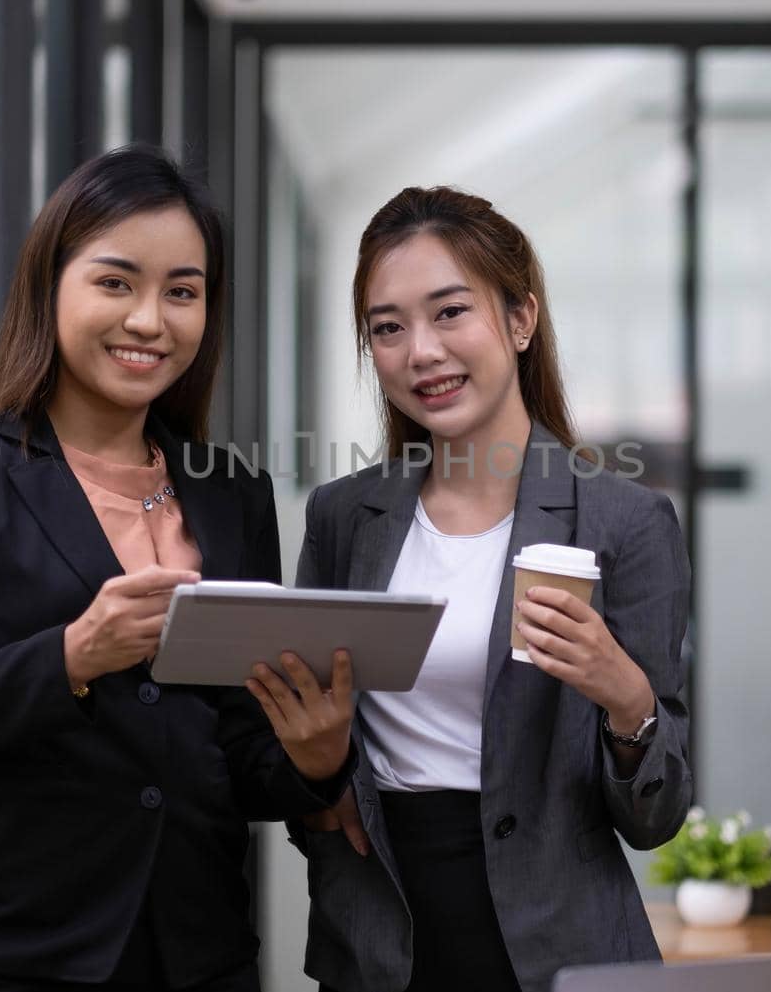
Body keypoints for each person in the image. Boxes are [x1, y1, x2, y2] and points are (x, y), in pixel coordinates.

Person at [0, 145, 355, 992]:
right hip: (6, 960)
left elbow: (233, 758)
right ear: (52, 285)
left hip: (200, 961)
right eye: (116, 282)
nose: (151, 321)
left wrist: (314, 756)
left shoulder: (232, 495)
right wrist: (74, 654)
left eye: (182, 292)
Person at [291, 186, 693, 992]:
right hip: (380, 934)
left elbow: (656, 817)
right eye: (388, 328)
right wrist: (320, 768)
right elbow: (312, 777)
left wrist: (626, 698)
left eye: (449, 313)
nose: (421, 352)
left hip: (556, 944)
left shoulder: (624, 521)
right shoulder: (344, 516)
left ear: (520, 319)